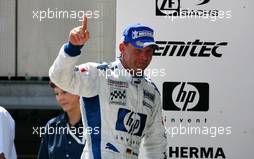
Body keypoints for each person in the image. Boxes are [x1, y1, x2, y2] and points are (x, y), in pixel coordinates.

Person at [49, 16, 167, 159]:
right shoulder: (100, 75)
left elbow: (156, 143)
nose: (144, 57)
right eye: (138, 50)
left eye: (149, 51)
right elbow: (59, 77)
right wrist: (72, 48)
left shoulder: (151, 91)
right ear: (122, 48)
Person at [37, 81, 85, 159]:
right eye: (56, 94)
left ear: (78, 93)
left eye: (65, 92)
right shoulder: (51, 126)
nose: (60, 98)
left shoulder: (95, 126)